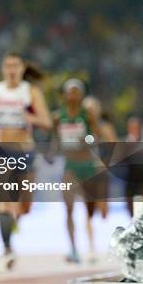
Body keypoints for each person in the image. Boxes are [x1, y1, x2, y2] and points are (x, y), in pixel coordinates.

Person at [0, 52, 52, 269]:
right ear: (3, 68)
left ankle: (11, 226)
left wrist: (28, 117)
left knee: (25, 205)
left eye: (15, 65)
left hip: (25, 151)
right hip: (1, 149)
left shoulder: (30, 92)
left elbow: (47, 122)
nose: (11, 69)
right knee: (3, 199)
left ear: (22, 69)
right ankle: (7, 248)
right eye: (8, 65)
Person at [52, 78, 100, 264]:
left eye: (76, 91)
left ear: (81, 95)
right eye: (70, 91)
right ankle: (73, 248)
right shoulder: (58, 116)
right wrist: (52, 152)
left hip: (87, 165)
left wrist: (86, 139)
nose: (72, 95)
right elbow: (56, 139)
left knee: (90, 209)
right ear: (65, 95)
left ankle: (92, 247)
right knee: (69, 207)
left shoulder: (87, 114)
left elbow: (95, 136)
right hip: (70, 166)